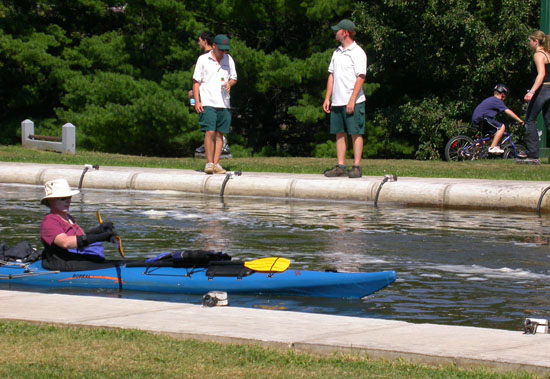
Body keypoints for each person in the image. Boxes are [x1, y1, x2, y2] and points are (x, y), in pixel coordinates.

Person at [40, 178, 117, 271]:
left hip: (74, 259)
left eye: (69, 197)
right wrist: (101, 237)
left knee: (118, 263)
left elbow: (81, 238)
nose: (68, 201)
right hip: (60, 263)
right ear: (50, 201)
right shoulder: (50, 221)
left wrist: (98, 231)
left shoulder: (68, 217)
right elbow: (66, 243)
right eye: (63, 198)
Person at [322, 19, 367, 178]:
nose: (335, 33)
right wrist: (328, 98)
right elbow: (331, 75)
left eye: (338, 30)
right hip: (337, 101)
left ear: (345, 33)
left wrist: (352, 100)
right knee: (339, 133)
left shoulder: (357, 52)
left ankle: (356, 166)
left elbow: (360, 77)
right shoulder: (337, 52)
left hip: (353, 101)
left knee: (355, 132)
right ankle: (340, 166)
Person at [192, 34, 237, 175]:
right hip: (207, 101)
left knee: (220, 134)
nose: (223, 53)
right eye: (221, 49)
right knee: (209, 131)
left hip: (224, 102)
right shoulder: (203, 60)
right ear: (214, 46)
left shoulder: (228, 60)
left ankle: (216, 164)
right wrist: (197, 101)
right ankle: (209, 163)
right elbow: (196, 82)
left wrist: (230, 84)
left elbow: (234, 78)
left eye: (226, 50)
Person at [522, 30, 550, 165]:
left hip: (542, 89)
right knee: (549, 122)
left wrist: (532, 92)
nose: (529, 43)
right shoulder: (548, 54)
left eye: (530, 41)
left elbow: (541, 74)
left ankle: (532, 154)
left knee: (530, 120)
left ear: (536, 41)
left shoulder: (538, 55)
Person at [471, 84, 524, 154]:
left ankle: (471, 150)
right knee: (501, 127)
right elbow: (508, 111)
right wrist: (520, 120)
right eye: (505, 96)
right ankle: (493, 148)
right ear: (502, 94)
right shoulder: (496, 100)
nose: (504, 98)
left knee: (488, 137)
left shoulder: (491, 99)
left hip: (477, 119)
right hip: (483, 118)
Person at [188, 31, 214, 106]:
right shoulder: (219, 57)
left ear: (205, 41)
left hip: (208, 104)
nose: (198, 43)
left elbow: (207, 81)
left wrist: (194, 95)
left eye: (199, 40)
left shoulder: (203, 58)